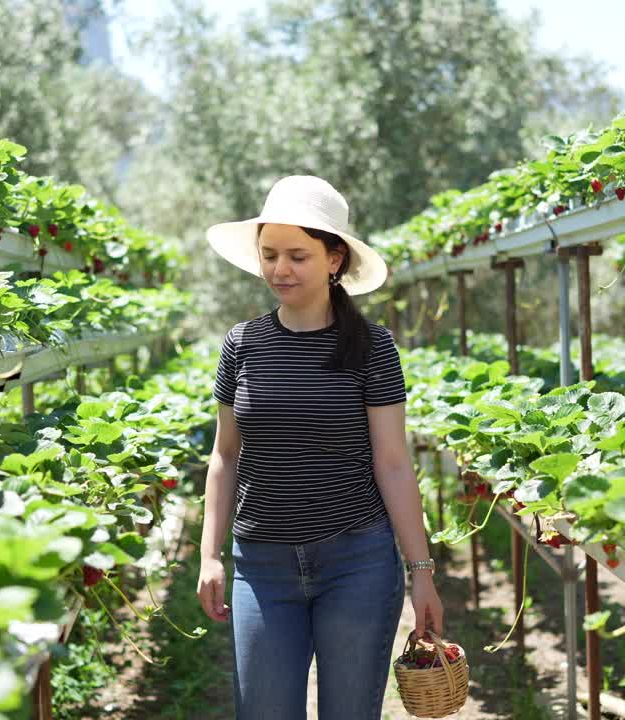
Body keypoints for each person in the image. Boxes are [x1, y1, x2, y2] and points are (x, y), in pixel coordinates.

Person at [196, 175, 445, 720]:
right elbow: (225, 457)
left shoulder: (373, 347)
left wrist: (421, 570)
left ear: (335, 260)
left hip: (356, 563)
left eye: (297, 256)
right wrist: (209, 555)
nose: (279, 270)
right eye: (269, 255)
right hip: (261, 567)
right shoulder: (243, 344)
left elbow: (394, 464)